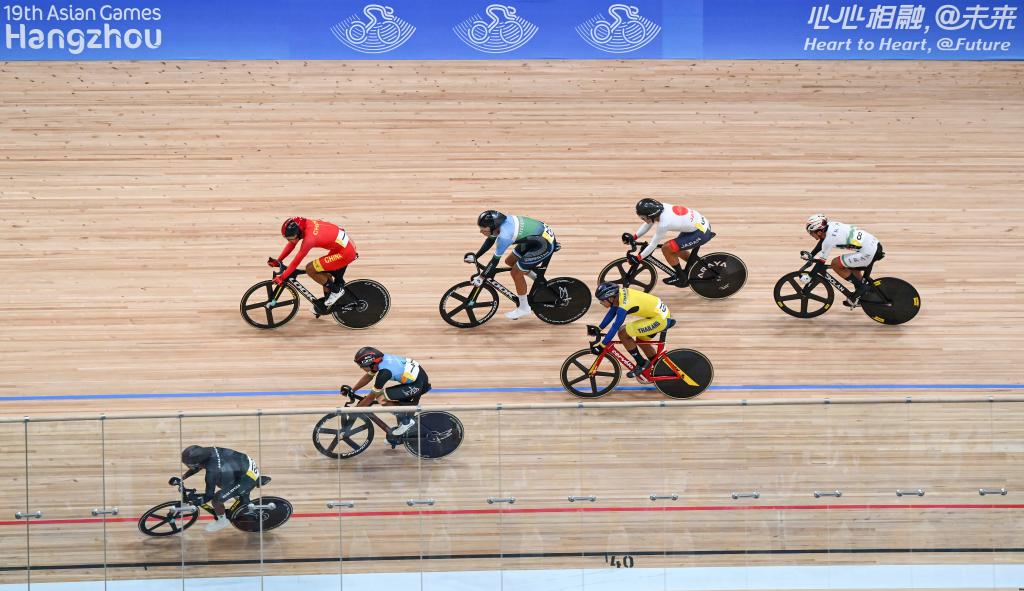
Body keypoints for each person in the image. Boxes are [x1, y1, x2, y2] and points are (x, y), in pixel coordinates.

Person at [466, 210, 559, 320]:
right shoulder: (499, 225)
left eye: (483, 229)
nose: (481, 231)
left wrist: (482, 277)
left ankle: (524, 308)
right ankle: (539, 281)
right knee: (510, 261)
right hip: (536, 239)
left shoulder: (504, 237)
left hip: (543, 244)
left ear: (493, 227)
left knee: (516, 272)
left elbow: (494, 261)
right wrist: (476, 256)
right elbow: (489, 241)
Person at [268, 217, 357, 314]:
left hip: (345, 253)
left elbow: (295, 262)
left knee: (310, 268)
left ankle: (336, 291)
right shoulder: (305, 224)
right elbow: (292, 244)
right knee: (324, 273)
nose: (290, 240)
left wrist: (282, 277)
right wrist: (279, 260)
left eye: (291, 238)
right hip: (344, 246)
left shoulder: (309, 240)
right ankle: (326, 306)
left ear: (298, 233)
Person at [592, 281, 675, 378]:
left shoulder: (624, 305)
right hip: (660, 315)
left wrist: (602, 345)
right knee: (641, 341)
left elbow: (615, 326)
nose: (601, 303)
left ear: (610, 298)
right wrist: (599, 328)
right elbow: (612, 312)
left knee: (623, 333)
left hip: (660, 319)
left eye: (602, 300)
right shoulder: (619, 295)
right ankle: (660, 367)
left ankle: (642, 363)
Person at [626, 198, 713, 287]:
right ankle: (697, 266)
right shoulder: (660, 208)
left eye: (643, 217)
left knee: (667, 248)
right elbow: (648, 223)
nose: (643, 219)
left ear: (651, 215)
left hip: (701, 232)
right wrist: (634, 237)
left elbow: (653, 245)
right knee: (676, 248)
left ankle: (680, 276)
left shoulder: (664, 223)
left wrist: (638, 258)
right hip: (699, 226)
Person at [348, 347, 431, 436]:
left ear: (371, 364)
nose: (361, 368)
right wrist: (353, 390)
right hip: (417, 379)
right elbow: (368, 377)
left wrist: (356, 409)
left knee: (381, 397)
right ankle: (405, 425)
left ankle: (407, 421)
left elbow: (371, 397)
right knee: (395, 403)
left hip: (417, 384)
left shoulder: (384, 372)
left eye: (362, 366)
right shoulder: (380, 361)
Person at [177, 445, 261, 533]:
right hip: (245, 465)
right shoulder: (208, 451)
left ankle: (222, 521)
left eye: (188, 464)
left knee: (216, 500)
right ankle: (238, 495)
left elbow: (209, 496)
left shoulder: (212, 472)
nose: (188, 466)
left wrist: (194, 503)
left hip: (247, 479)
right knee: (222, 480)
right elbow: (198, 466)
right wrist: (182, 478)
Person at [804, 214, 882, 307]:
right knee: (852, 268)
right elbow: (822, 242)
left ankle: (861, 288)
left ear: (819, 232)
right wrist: (811, 254)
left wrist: (810, 275)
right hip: (874, 244)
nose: (811, 235)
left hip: (868, 252)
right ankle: (861, 295)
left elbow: (821, 262)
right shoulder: (831, 225)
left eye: (811, 233)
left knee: (835, 264)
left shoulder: (829, 240)